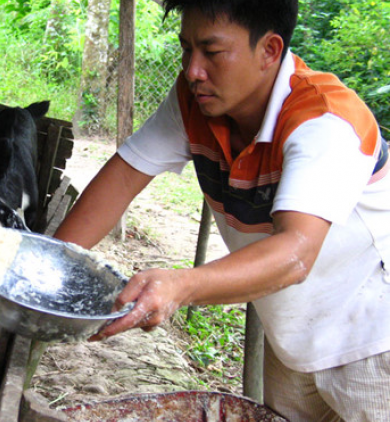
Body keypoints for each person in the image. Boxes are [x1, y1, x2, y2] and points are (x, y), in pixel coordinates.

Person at [53, 0, 390, 420]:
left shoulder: (325, 121)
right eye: (186, 48)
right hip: (292, 335)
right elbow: (122, 178)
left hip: (374, 339)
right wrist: (49, 268)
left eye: (211, 52)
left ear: (269, 50)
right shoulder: (194, 102)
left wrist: (181, 286)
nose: (193, 70)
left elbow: (295, 254)